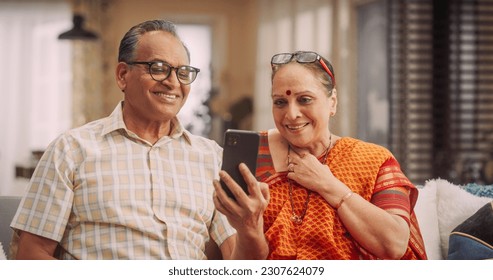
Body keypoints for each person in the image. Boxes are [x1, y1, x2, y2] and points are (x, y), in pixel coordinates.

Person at [10, 19, 268, 260]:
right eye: (158, 69)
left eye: (183, 72)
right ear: (123, 75)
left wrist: (249, 228)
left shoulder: (212, 156)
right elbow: (31, 254)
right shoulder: (71, 149)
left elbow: (239, 262)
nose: (172, 82)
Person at [254, 51, 427, 259]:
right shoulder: (254, 152)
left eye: (305, 99)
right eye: (280, 102)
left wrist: (328, 185)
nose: (291, 114)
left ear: (332, 102)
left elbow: (395, 244)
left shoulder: (372, 159)